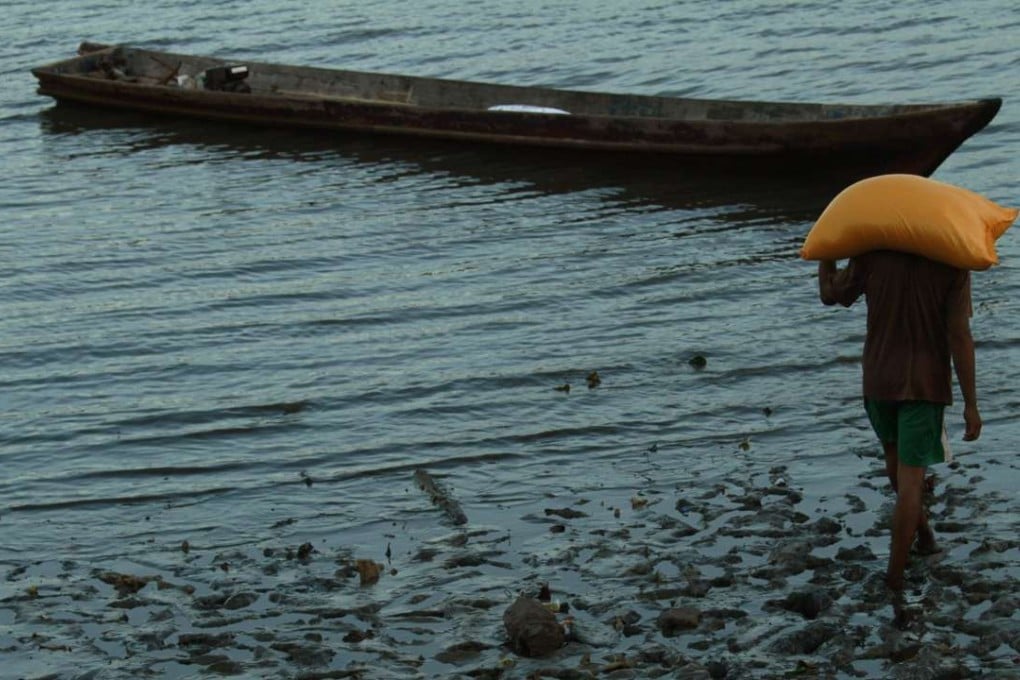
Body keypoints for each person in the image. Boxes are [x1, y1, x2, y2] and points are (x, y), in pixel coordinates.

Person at [818, 250, 982, 591]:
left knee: (895, 468)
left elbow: (830, 295)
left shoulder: (873, 255)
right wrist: (971, 403)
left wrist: (827, 255)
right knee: (910, 481)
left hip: (879, 378)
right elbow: (959, 335)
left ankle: (925, 537)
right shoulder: (951, 261)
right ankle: (894, 576)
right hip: (924, 384)